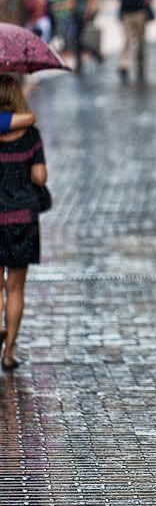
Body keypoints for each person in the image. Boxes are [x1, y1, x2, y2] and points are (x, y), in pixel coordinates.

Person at [0, 75, 48, 370]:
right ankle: (8, 353)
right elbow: (40, 177)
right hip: (23, 219)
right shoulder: (31, 135)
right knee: (16, 288)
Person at [114, 0, 153, 82]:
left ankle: (141, 66)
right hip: (127, 13)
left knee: (141, 42)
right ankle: (124, 65)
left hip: (140, 13)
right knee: (127, 39)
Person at [68, 0, 102, 73]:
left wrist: (87, 14)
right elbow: (72, 0)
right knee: (78, 40)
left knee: (80, 40)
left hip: (84, 15)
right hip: (76, 14)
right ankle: (92, 56)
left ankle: (83, 61)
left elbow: (91, 0)